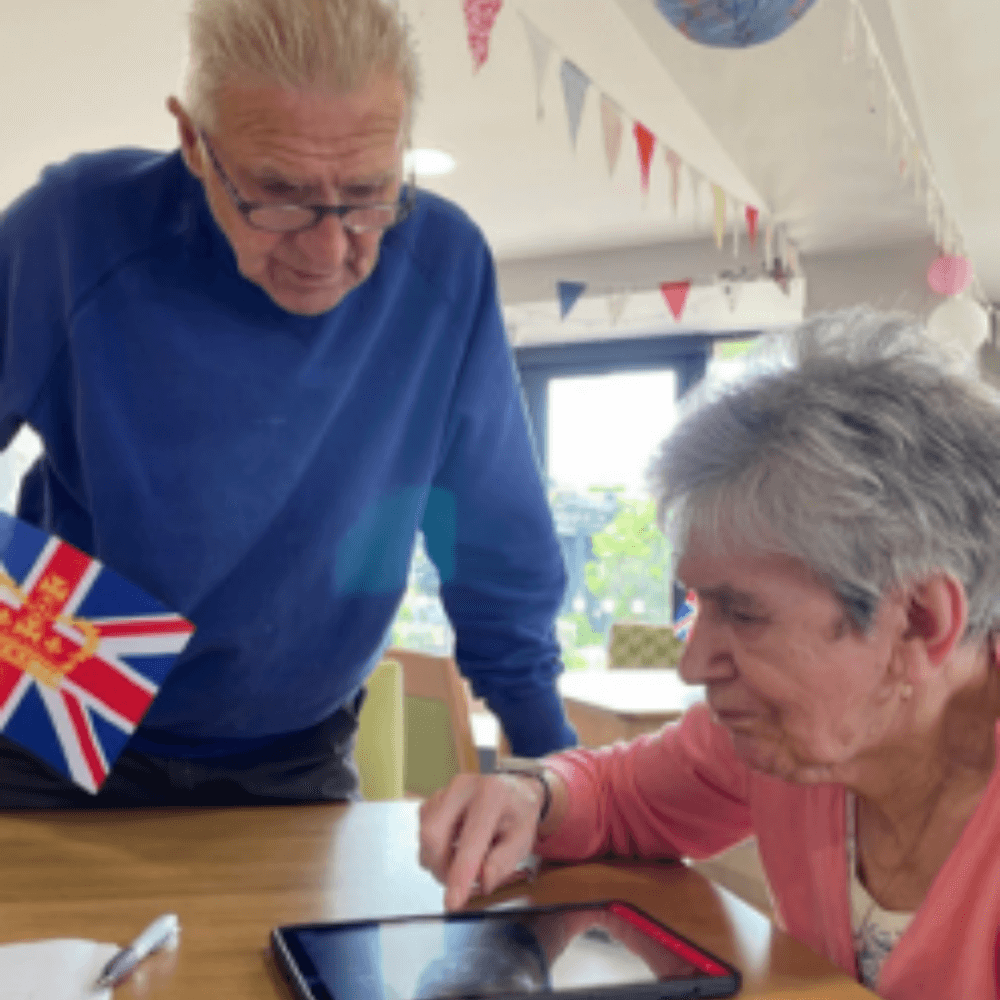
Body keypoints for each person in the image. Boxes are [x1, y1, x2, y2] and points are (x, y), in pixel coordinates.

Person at [0, 0, 575, 808]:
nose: (329, 250)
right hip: (55, 725)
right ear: (194, 143)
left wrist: (556, 763)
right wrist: (65, 645)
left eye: (370, 192)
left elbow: (489, 530)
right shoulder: (72, 229)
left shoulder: (445, 266)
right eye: (278, 194)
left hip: (295, 744)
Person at [419, 308, 1000, 998]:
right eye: (700, 606)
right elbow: (618, 798)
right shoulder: (790, 743)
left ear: (920, 619)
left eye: (743, 612)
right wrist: (530, 792)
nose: (692, 666)